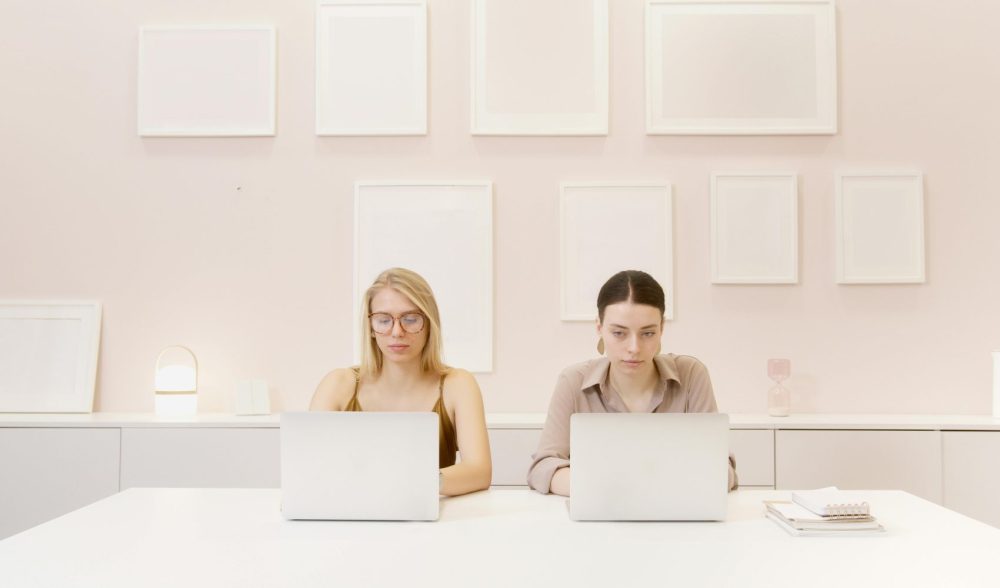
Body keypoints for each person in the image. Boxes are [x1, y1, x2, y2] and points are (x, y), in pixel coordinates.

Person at [527, 270, 738, 495]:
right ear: (599, 327)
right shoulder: (573, 381)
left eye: (647, 333)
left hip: (675, 511)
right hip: (602, 509)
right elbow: (543, 468)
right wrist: (608, 488)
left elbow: (722, 471)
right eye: (619, 333)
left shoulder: (692, 375)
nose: (634, 348)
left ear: (661, 328)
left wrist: (638, 487)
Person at [309, 267, 492, 496]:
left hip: (428, 516)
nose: (397, 331)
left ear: (429, 324)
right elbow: (310, 467)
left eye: (411, 319)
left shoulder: (458, 384)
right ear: (371, 327)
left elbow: (479, 471)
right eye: (383, 320)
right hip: (349, 514)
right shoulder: (338, 384)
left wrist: (410, 482)